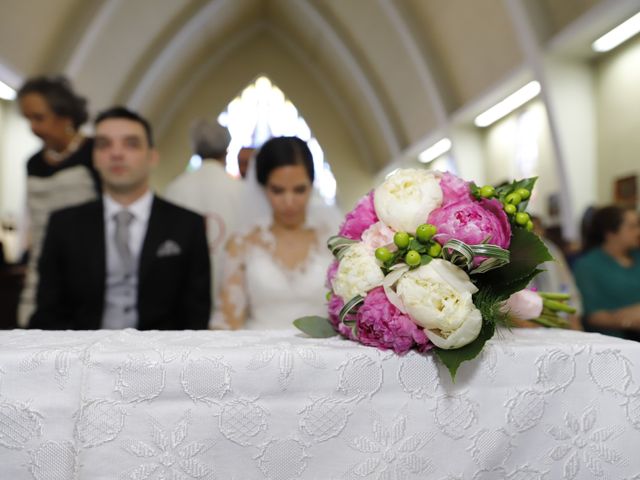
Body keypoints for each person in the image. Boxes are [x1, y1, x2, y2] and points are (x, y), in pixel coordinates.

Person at [30, 107, 210, 330]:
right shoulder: (64, 225)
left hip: (161, 356)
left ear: (152, 156)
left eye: (131, 144)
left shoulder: (186, 225)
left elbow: (196, 313)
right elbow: (48, 311)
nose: (116, 154)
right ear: (94, 158)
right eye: (104, 144)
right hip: (80, 355)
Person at [214, 136, 335, 329]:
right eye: (278, 191)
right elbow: (228, 322)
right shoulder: (242, 243)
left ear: (312, 185)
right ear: (263, 188)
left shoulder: (334, 241)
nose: (289, 202)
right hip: (256, 354)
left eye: (299, 190)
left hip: (325, 355)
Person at [17, 75, 101, 327]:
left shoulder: (93, 152)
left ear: (64, 115)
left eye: (38, 117)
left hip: (86, 265)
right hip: (43, 264)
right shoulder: (33, 163)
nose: (33, 127)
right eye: (28, 119)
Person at [165, 119, 242, 308]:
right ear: (226, 150)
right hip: (231, 292)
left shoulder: (175, 189)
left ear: (195, 150)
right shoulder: (240, 190)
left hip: (185, 294)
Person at [573, 205, 640, 341]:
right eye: (632, 227)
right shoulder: (588, 265)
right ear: (610, 233)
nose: (638, 231)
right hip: (614, 339)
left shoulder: (637, 255)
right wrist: (627, 319)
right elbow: (591, 316)